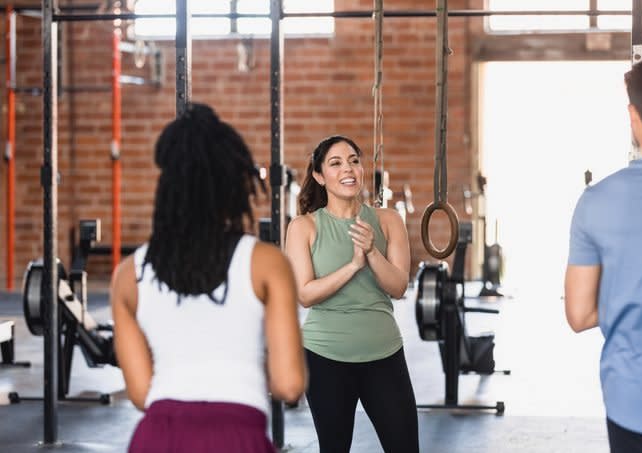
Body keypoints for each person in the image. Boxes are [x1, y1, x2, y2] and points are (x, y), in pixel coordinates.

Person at [110, 103, 306, 453]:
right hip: (236, 436)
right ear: (233, 184)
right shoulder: (265, 263)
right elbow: (289, 384)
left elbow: (142, 394)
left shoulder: (128, 275)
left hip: (157, 438)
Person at [565, 53, 642, 453]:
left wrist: (630, 292)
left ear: (634, 116)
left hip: (636, 402)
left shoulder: (597, 202)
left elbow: (579, 315)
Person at [285, 135, 419, 453]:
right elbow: (305, 294)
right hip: (324, 356)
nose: (348, 168)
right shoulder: (303, 227)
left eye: (354, 160)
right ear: (319, 176)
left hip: (383, 353)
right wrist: (353, 264)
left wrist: (371, 253)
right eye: (336, 163)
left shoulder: (387, 221)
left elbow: (398, 286)